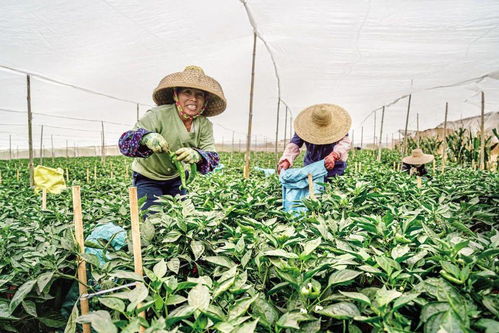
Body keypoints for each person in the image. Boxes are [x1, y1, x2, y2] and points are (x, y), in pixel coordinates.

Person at [119, 66, 226, 210]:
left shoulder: (204, 125)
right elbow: (125, 143)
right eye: (187, 92)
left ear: (205, 101)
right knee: (152, 220)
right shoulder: (157, 115)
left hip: (178, 179)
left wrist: (198, 155)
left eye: (199, 95)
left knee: (183, 218)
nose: (193, 99)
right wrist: (146, 137)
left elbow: (212, 158)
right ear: (176, 95)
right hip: (148, 177)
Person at [278, 104, 352, 180]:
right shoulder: (303, 129)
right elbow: (294, 144)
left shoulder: (339, 127)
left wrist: (334, 155)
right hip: (311, 166)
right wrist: (286, 160)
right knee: (312, 188)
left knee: (333, 187)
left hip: (334, 168)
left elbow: (344, 143)